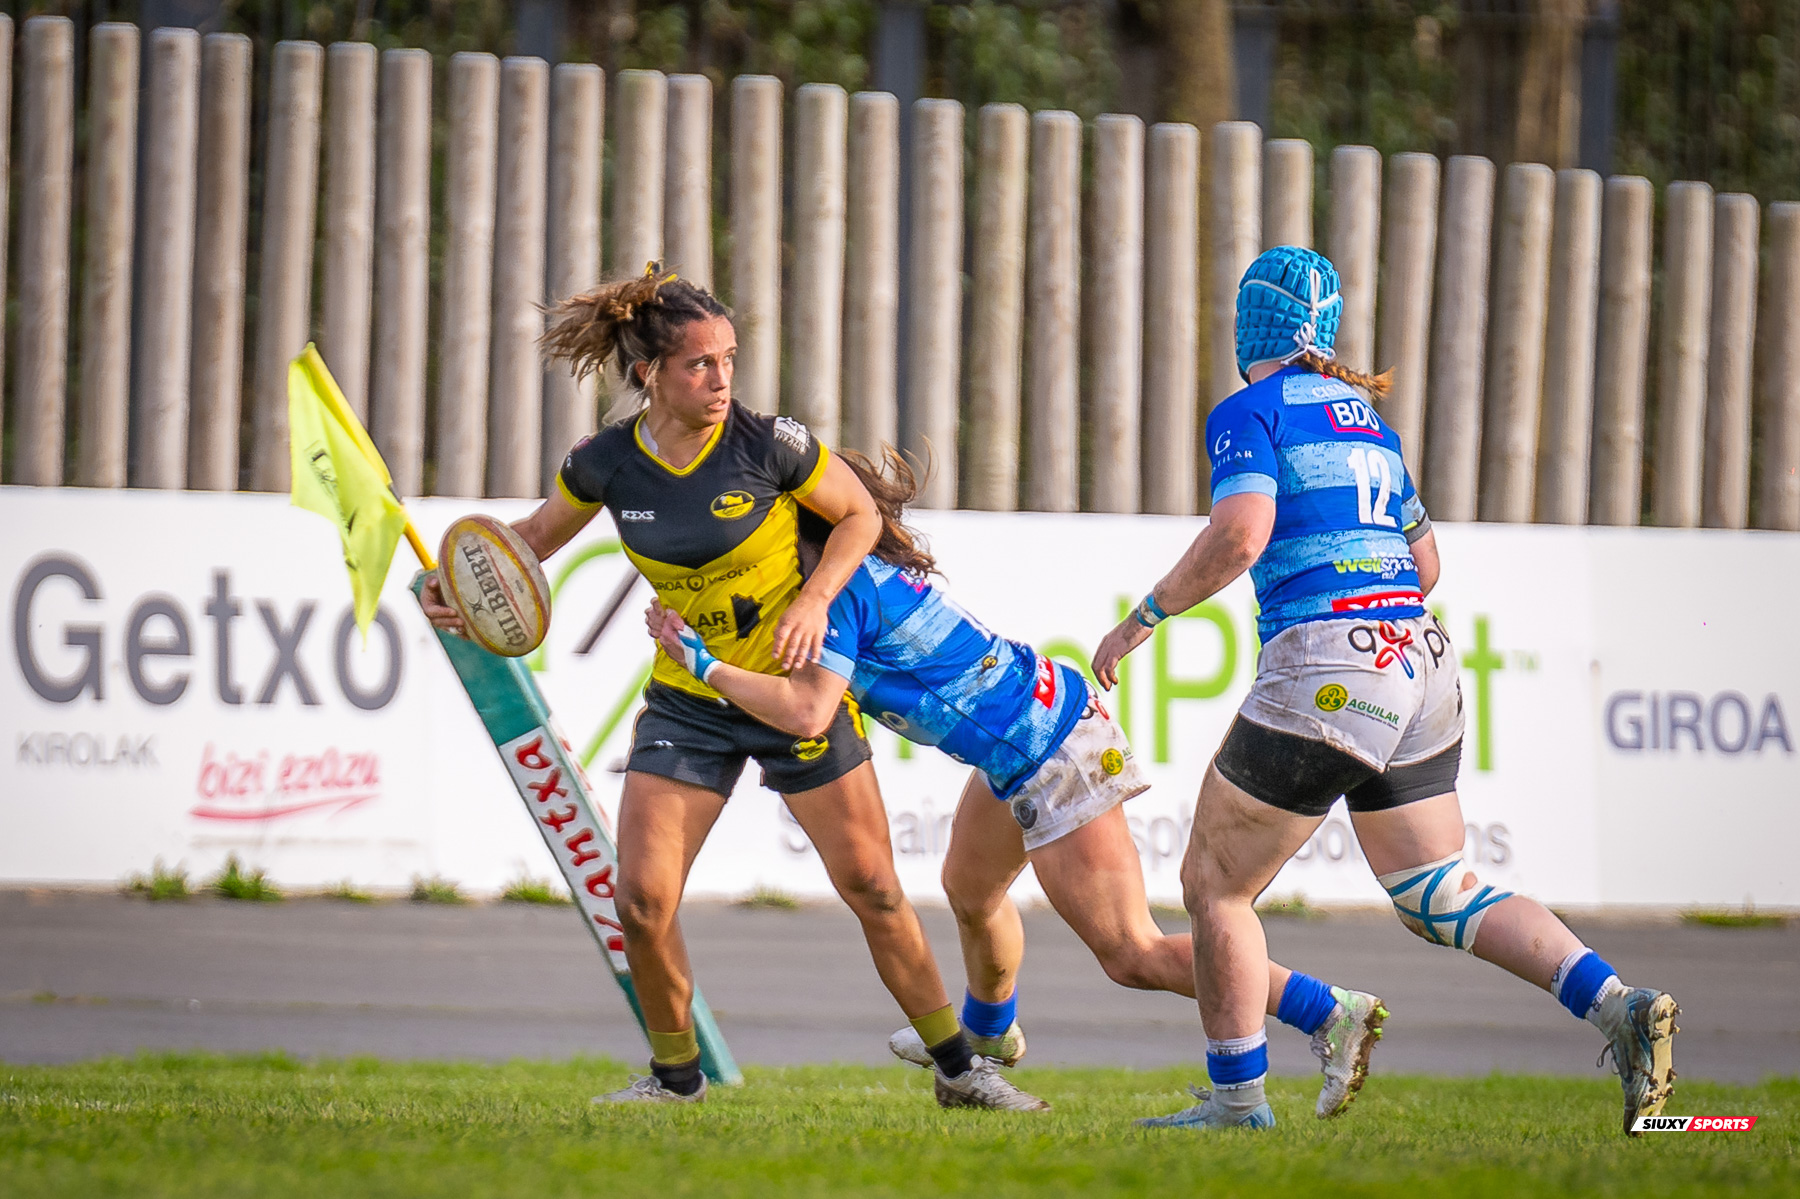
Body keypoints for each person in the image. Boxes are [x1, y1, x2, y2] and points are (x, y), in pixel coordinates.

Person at [422, 266, 1044, 1112]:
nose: (722, 380)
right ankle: (676, 1078)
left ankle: (960, 1069)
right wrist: (458, 582)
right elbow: (530, 539)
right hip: (690, 702)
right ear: (648, 374)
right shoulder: (606, 464)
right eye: (700, 364)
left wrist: (817, 601)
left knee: (872, 887)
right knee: (641, 899)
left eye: (729, 359)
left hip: (794, 692)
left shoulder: (766, 443)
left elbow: (859, 514)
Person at [1093, 245, 1679, 1134]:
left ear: (1251, 324)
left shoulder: (1249, 411)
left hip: (1333, 660)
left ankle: (1237, 1102)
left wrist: (1144, 617)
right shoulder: (1369, 423)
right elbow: (1426, 563)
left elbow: (1242, 534)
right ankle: (1616, 1003)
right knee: (1439, 889)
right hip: (1422, 659)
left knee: (1214, 885)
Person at [652, 446, 1391, 1121]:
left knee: (1130, 951)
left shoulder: (836, 594)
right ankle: (988, 1036)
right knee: (970, 889)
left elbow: (808, 711)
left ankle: (1328, 1010)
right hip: (1030, 733)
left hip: (1050, 749)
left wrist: (702, 664)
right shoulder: (849, 576)